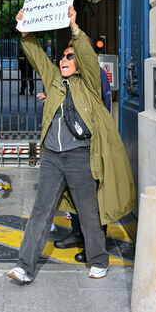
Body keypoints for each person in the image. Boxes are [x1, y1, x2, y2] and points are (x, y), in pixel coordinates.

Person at [8, 5, 135, 284]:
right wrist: (25, 32)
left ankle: (99, 260)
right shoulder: (54, 80)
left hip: (80, 156)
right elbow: (37, 56)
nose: (63, 60)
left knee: (89, 212)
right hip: (53, 158)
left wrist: (75, 29)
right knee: (41, 210)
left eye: (69, 56)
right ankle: (24, 267)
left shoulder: (89, 83)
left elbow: (88, 57)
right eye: (62, 56)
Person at [54, 37, 112, 258]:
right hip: (71, 144)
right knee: (75, 192)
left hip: (90, 144)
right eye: (65, 54)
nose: (67, 57)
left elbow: (100, 109)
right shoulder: (69, 76)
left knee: (92, 197)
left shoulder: (95, 75)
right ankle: (78, 233)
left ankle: (95, 244)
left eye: (73, 52)